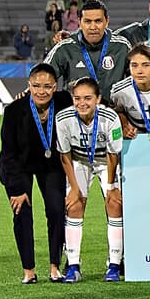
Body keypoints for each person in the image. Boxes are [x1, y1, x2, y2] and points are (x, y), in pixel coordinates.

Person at [0, 64, 69, 283]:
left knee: (57, 211)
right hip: (19, 166)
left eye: (47, 86)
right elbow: (9, 153)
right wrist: (17, 189)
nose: (41, 91)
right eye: (36, 86)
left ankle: (55, 266)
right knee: (22, 212)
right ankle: (28, 270)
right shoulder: (14, 110)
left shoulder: (65, 102)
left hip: (52, 165)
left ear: (55, 87)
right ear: (28, 86)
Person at [55, 76, 125, 282]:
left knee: (114, 204)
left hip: (106, 161)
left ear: (98, 99)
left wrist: (111, 185)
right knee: (74, 205)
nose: (82, 103)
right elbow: (65, 155)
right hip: (79, 160)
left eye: (87, 98)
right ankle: (73, 266)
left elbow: (114, 154)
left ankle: (114, 265)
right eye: (77, 98)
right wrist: (75, 188)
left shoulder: (110, 117)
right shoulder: (63, 118)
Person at [43, 0, 132, 90]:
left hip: (113, 105)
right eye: (87, 21)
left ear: (107, 21)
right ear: (79, 22)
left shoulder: (122, 47)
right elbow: (41, 78)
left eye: (98, 21)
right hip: (77, 104)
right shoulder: (65, 47)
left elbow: (139, 80)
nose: (93, 27)